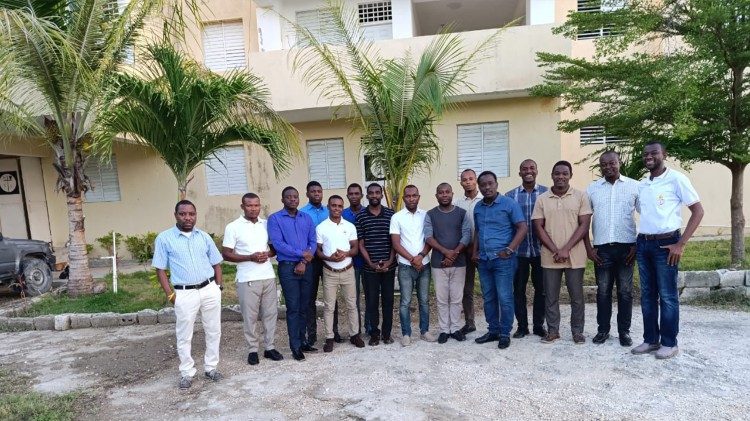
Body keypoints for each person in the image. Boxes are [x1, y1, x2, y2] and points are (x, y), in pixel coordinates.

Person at [632, 141, 703, 359]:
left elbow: (698, 211)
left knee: (667, 295)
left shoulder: (677, 179)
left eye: (654, 153)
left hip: (666, 244)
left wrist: (680, 243)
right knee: (647, 295)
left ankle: (670, 343)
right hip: (643, 243)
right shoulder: (643, 185)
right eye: (645, 154)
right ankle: (651, 340)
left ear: (664, 154)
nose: (648, 157)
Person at [153, 200, 223, 390]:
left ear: (195, 215)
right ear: (175, 215)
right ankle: (186, 372)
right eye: (183, 214)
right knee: (184, 334)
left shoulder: (204, 236)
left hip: (209, 289)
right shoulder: (165, 238)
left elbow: (216, 263)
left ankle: (211, 368)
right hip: (184, 293)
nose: (187, 218)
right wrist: (170, 294)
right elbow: (160, 269)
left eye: (191, 214)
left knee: (213, 330)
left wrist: (218, 287)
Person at [532, 161, 592, 345]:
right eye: (557, 173)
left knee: (577, 297)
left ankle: (577, 331)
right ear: (552, 175)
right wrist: (555, 250)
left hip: (575, 255)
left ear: (570, 175)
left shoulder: (581, 196)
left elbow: (584, 225)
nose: (561, 176)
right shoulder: (542, 199)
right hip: (550, 256)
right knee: (551, 296)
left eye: (565, 173)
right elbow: (538, 227)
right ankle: (553, 331)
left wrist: (566, 249)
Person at [584, 151, 639, 347]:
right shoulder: (592, 189)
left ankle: (624, 332)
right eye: (604, 164)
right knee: (603, 292)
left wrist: (637, 244)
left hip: (627, 249)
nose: (608, 167)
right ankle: (603, 330)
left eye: (612, 163)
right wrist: (589, 248)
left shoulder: (635, 186)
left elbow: (646, 215)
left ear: (619, 163)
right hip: (602, 250)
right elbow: (584, 221)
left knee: (625, 292)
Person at [222, 193, 284, 365]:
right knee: (250, 316)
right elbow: (226, 253)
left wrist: (266, 255)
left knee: (270, 314)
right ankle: (252, 350)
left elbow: (274, 249)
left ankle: (269, 347)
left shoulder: (266, 224)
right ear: (242, 207)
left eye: (256, 205)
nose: (253, 208)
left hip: (268, 276)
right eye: (249, 205)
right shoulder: (233, 227)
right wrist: (250, 257)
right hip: (247, 278)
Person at [472, 171, 528, 350]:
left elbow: (522, 227)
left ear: (496, 184)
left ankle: (505, 333)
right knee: (489, 297)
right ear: (479, 187)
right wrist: (474, 252)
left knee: (504, 297)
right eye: (483, 184)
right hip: (484, 260)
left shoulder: (509, 204)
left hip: (503, 260)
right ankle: (493, 331)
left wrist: (510, 249)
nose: (487, 187)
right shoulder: (478, 207)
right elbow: (478, 231)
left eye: (490, 183)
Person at [268, 186, 318, 361]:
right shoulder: (275, 219)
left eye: (295, 197)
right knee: (293, 307)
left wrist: (304, 261)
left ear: (299, 198)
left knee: (305, 306)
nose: (292, 199)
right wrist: (301, 254)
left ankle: (303, 341)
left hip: (306, 267)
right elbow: (278, 244)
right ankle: (295, 346)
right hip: (288, 268)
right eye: (288, 197)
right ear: (282, 199)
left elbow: (313, 241)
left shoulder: (306, 218)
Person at [316, 195, 366, 352]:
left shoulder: (350, 226)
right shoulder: (321, 227)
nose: (336, 208)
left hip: (347, 270)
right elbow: (318, 251)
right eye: (333, 205)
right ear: (328, 207)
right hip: (329, 271)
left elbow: (355, 248)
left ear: (342, 208)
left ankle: (354, 334)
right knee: (329, 306)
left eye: (339, 206)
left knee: (352, 304)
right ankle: (329, 337)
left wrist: (345, 254)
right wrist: (329, 257)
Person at [506, 159, 548, 339]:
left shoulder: (547, 193)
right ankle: (522, 327)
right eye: (524, 169)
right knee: (518, 290)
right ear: (519, 173)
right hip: (519, 252)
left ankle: (539, 325)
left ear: (537, 171)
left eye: (532, 168)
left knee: (542, 290)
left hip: (542, 251)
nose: (528, 171)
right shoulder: (510, 196)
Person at [425, 183, 472, 343]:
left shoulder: (461, 213)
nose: (444, 195)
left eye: (447, 192)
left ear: (452, 194)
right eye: (441, 192)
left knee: (457, 298)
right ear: (436, 195)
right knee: (442, 299)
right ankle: (444, 330)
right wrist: (446, 252)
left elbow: (466, 235)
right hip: (439, 264)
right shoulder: (430, 214)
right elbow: (428, 237)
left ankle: (455, 329)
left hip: (459, 263)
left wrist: (454, 253)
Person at [390, 185, 433, 346]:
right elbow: (396, 243)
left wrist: (420, 257)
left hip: (424, 265)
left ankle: (424, 331)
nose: (411, 198)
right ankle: (406, 333)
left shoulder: (426, 215)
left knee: (424, 300)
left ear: (419, 197)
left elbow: (429, 239)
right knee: (405, 301)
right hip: (405, 267)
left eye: (414, 195)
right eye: (408, 196)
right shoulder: (397, 217)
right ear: (404, 198)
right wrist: (412, 259)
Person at [357, 183, 397, 346]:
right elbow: (361, 244)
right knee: (372, 302)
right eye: (371, 193)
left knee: (388, 301)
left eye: (377, 192)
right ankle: (374, 334)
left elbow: (394, 241)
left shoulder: (391, 215)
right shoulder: (361, 216)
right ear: (367, 196)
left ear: (381, 194)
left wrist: (389, 261)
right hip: (369, 268)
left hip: (389, 267)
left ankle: (386, 334)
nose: (374, 195)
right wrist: (371, 264)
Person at [300, 181, 335, 346]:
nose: (316, 194)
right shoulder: (301, 213)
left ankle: (333, 332)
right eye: (313, 191)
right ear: (307, 194)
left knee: (331, 297)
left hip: (329, 259)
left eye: (319, 191)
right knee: (310, 297)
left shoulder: (329, 211)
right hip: (311, 261)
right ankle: (311, 335)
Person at [454, 169, 482, 334]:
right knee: (467, 289)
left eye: (471, 178)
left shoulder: (484, 199)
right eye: (465, 179)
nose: (468, 182)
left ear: (475, 180)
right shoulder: (457, 203)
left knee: (489, 287)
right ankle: (470, 322)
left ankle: (495, 323)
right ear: (461, 183)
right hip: (464, 250)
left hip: (482, 251)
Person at [342, 183, 370, 335]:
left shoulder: (369, 212)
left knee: (370, 296)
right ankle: (356, 329)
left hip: (367, 261)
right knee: (353, 298)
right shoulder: (342, 214)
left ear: (361, 195)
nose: (353, 196)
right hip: (349, 262)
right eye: (351, 194)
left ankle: (370, 327)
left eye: (356, 193)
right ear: (347, 196)